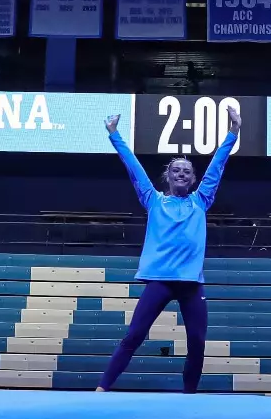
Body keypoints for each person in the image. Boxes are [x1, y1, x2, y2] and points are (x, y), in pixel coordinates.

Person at [94, 105, 240, 394]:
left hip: (190, 284)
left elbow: (217, 166)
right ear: (168, 176)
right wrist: (114, 135)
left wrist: (233, 132)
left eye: (187, 171)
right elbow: (133, 167)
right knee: (134, 335)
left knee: (197, 342)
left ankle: (189, 395)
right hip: (160, 280)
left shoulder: (201, 201)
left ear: (194, 179)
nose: (182, 173)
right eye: (176, 170)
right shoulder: (153, 200)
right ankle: (102, 388)